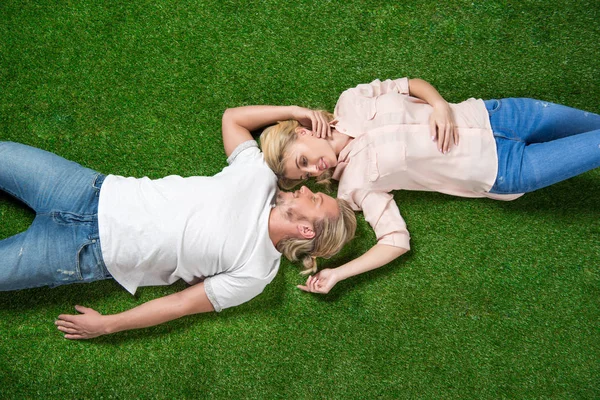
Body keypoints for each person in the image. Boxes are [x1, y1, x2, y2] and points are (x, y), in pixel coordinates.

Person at [0, 122, 356, 339]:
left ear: (308, 231)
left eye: (316, 200)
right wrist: (293, 109)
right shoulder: (260, 175)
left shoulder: (257, 272)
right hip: (86, 190)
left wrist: (108, 325)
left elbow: (182, 303)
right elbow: (234, 120)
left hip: (82, 254)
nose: (309, 188)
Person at [248, 77, 600, 294]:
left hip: (500, 114)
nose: (314, 170)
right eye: (306, 175)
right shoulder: (353, 187)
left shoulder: (350, 101)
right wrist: (339, 273)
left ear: (303, 131)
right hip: (505, 168)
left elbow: (409, 84)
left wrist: (439, 106)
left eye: (303, 160)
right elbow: (395, 241)